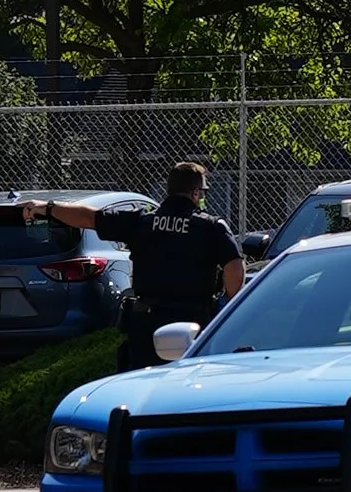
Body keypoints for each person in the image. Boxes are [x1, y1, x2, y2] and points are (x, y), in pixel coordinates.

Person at [29, 159, 245, 371]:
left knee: (142, 381)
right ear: (196, 193)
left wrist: (46, 208)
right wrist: (225, 303)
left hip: (146, 322)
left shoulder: (141, 221)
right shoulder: (211, 227)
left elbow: (88, 217)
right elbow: (234, 267)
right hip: (192, 323)